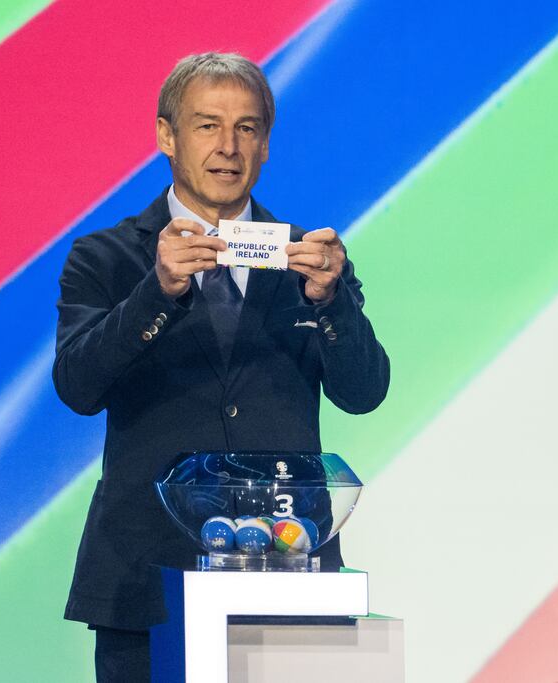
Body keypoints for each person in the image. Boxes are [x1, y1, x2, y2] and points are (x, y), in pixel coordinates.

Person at [53, 52, 390, 682]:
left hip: (289, 574)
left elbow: (365, 391)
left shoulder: (310, 257)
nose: (228, 147)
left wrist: (332, 301)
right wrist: (155, 294)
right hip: (145, 581)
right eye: (207, 125)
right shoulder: (105, 257)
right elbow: (77, 386)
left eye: (247, 128)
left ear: (265, 145)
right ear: (166, 136)